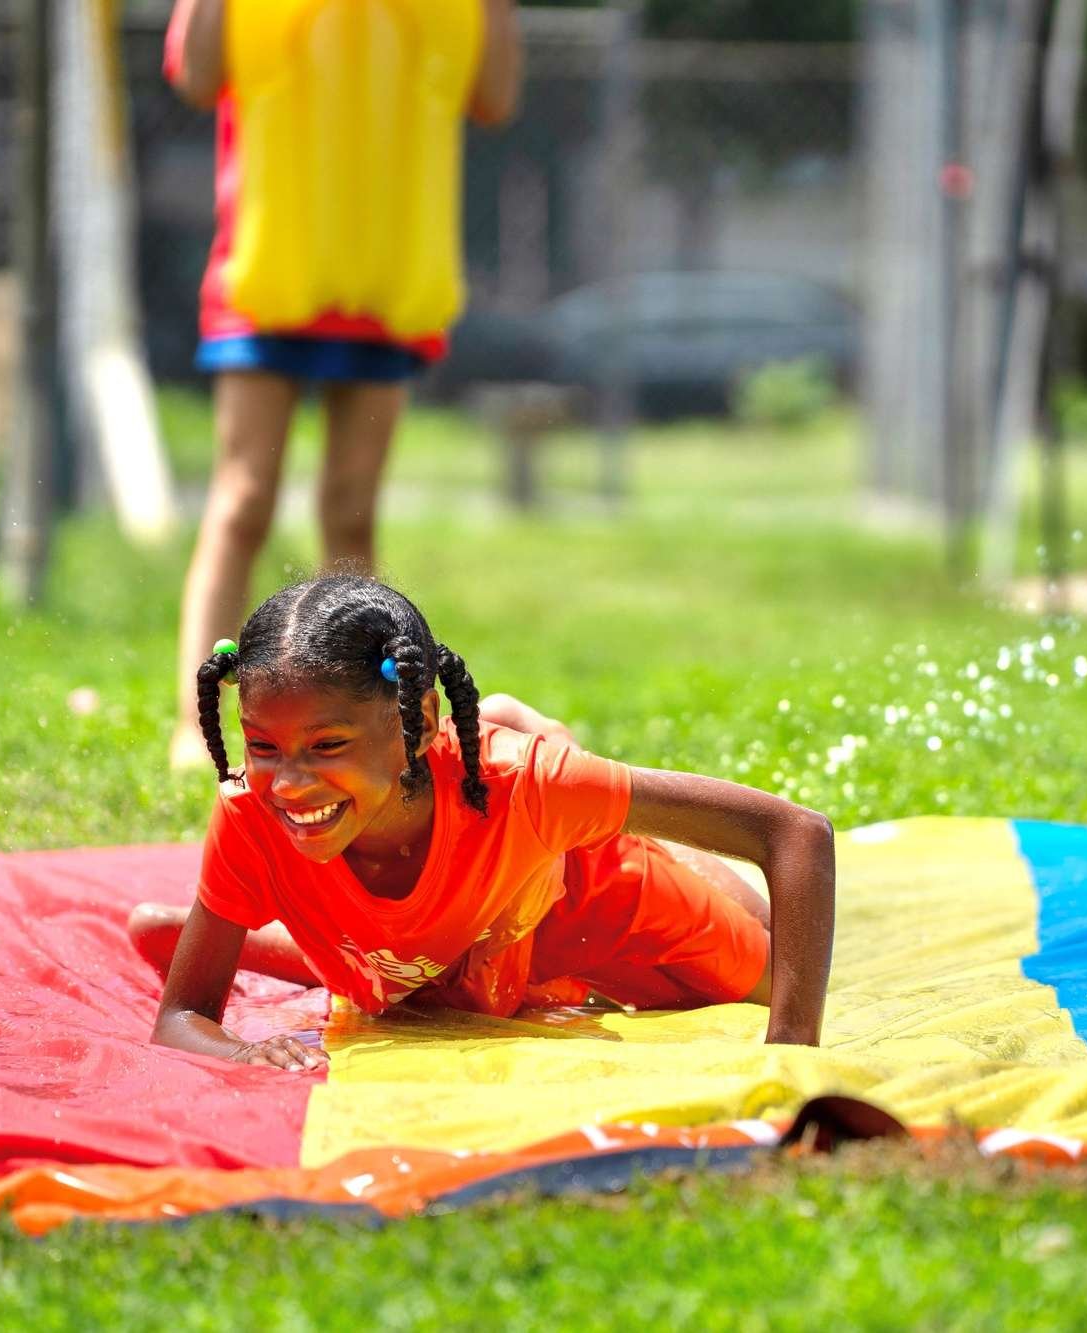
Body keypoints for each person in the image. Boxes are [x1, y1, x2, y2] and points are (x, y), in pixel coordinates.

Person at [130, 575, 836, 1069]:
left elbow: (796, 833)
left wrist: (791, 1055)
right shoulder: (254, 811)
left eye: (328, 746)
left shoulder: (526, 785)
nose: (287, 781)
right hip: (425, 957)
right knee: (417, 992)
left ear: (424, 723)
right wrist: (243, 1051)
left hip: (566, 897)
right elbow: (180, 1017)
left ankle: (588, 795)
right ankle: (316, 943)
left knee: (770, 972)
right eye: (262, 746)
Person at [163, 0, 525, 769]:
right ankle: (198, 728)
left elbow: (492, 97)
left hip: (383, 281)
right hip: (267, 273)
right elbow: (197, 75)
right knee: (244, 498)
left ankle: (352, 717)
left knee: (351, 513)